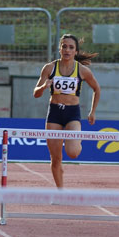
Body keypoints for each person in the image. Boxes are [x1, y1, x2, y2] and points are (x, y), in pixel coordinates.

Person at [33, 34, 101, 188]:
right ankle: (60, 191)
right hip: (55, 113)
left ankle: (77, 141)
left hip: (72, 114)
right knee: (55, 158)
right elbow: (35, 93)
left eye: (71, 47)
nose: (67, 50)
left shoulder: (82, 71)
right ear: (60, 48)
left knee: (73, 152)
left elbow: (97, 89)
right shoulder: (50, 68)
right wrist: (44, 87)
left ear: (76, 51)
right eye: (64, 46)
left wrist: (92, 111)